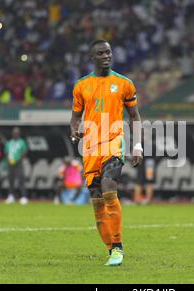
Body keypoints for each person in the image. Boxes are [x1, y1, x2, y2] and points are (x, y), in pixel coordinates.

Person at [70, 40, 143, 266]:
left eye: (109, 52)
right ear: (92, 57)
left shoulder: (124, 84)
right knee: (96, 201)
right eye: (100, 53)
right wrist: (74, 129)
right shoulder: (81, 85)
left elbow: (134, 117)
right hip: (90, 147)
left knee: (109, 189)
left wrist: (138, 145)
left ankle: (119, 246)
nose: (106, 56)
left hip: (113, 142)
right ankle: (111, 249)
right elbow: (75, 116)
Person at [4, 127, 28, 205]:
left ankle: (24, 197)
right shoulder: (9, 143)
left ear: (19, 134)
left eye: (16, 133)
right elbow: (6, 152)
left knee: (21, 180)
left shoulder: (22, 142)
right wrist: (9, 160)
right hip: (10, 163)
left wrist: (18, 160)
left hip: (18, 163)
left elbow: (24, 152)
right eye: (14, 133)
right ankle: (11, 196)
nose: (15, 134)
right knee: (10, 180)